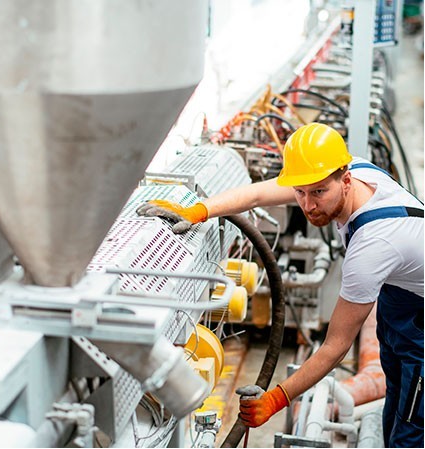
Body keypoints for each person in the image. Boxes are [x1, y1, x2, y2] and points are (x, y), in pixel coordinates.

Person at [137, 122, 424, 447]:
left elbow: (334, 347)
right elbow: (259, 194)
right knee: (398, 395)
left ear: (344, 179)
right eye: (300, 193)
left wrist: (275, 400)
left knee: (413, 425)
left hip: (419, 318)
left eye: (318, 193)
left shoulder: (373, 246)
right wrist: (199, 211)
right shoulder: (344, 170)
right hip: (404, 299)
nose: (308, 205)